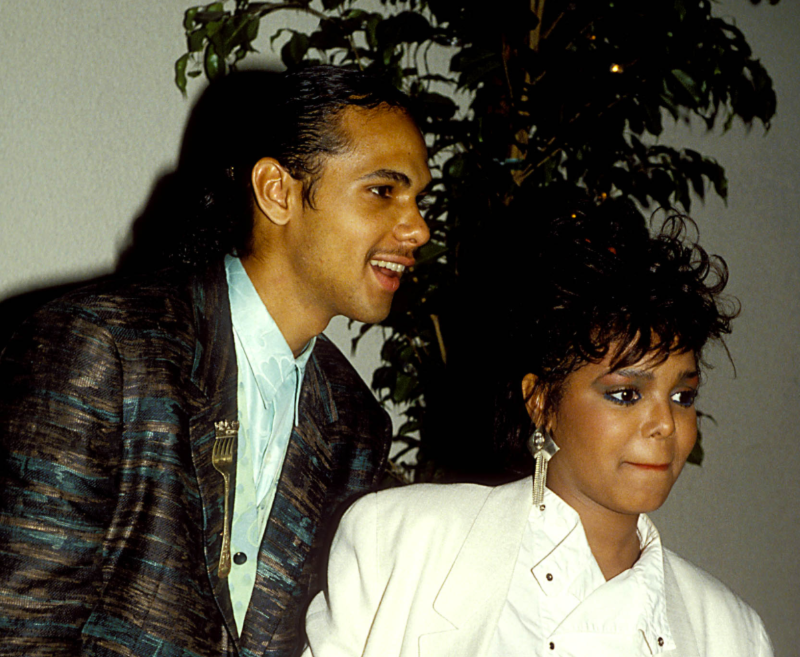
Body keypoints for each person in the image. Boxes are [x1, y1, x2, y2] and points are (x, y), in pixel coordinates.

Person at [0, 65, 431, 655]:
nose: (418, 228)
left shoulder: (355, 422)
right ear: (277, 192)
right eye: (383, 191)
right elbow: (19, 628)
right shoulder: (103, 347)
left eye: (418, 199)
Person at [301, 201, 774, 656]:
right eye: (626, 394)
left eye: (682, 397)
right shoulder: (404, 542)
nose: (665, 425)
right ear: (542, 402)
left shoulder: (730, 634)